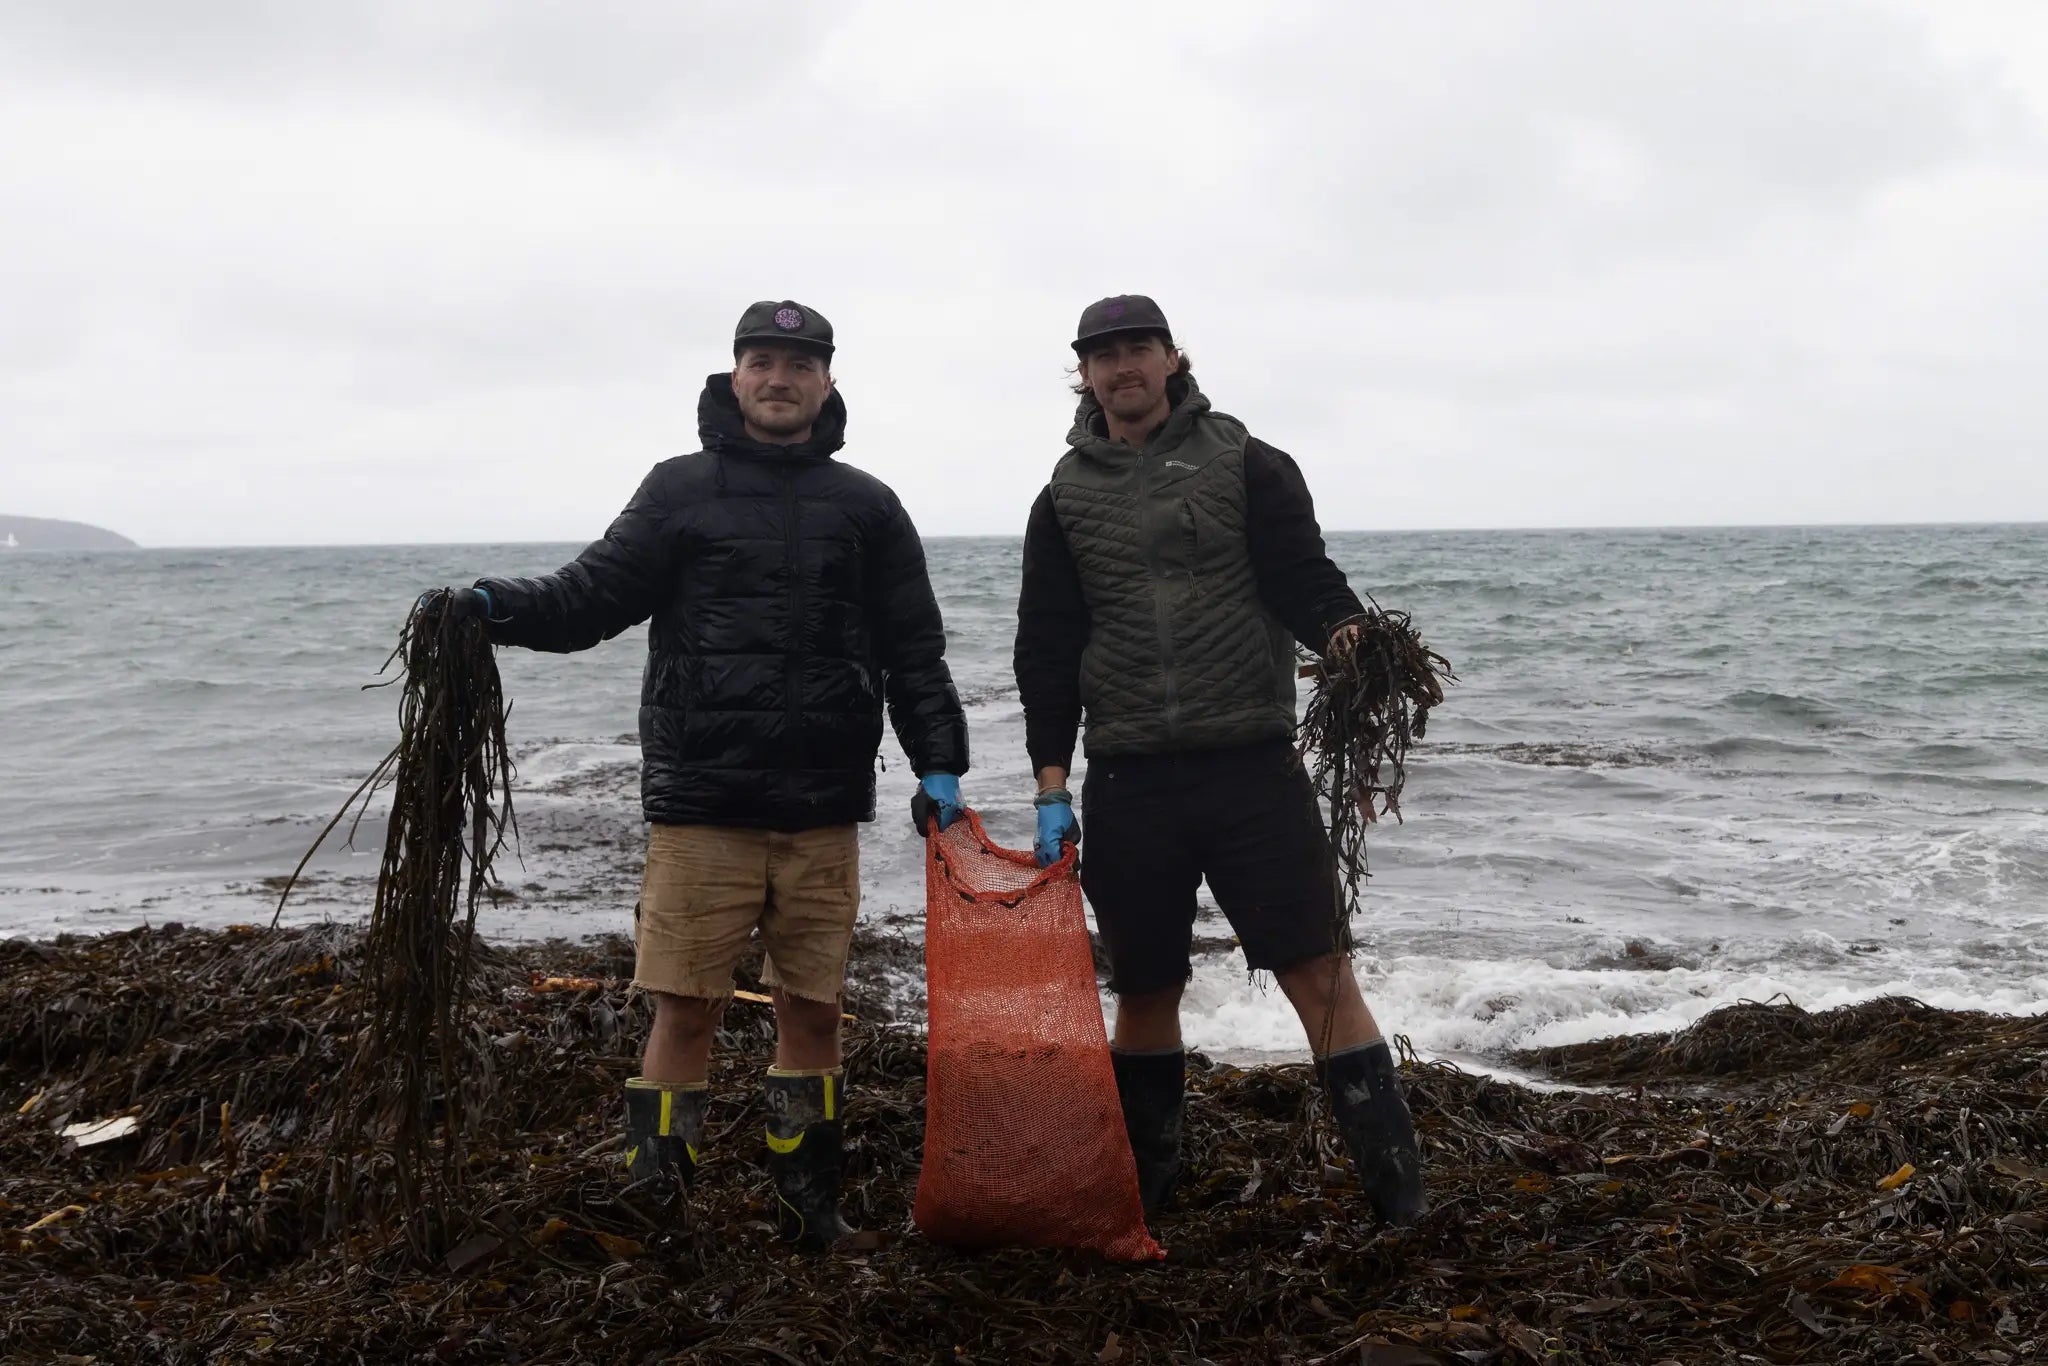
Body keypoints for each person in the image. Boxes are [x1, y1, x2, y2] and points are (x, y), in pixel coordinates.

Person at [437, 300, 968, 1251]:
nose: (779, 378)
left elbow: (914, 651)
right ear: (734, 377)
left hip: (821, 812)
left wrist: (941, 764)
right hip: (702, 809)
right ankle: (659, 1209)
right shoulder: (680, 489)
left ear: (828, 383)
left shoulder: (868, 505)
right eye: (762, 361)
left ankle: (810, 1211)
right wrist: (492, 606)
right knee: (685, 1008)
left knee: (813, 1010)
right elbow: (589, 596)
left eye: (799, 364)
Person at [1011, 295, 1426, 1225]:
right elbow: (1047, 647)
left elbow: (1300, 576)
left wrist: (1346, 630)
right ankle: (1148, 1195)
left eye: (1138, 350)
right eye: (1102, 356)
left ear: (1171, 358)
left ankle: (1399, 1200)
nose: (1122, 368)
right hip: (1128, 778)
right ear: (1083, 374)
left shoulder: (1247, 460)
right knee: (1147, 986)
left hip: (1250, 767)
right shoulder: (1063, 496)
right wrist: (1050, 783)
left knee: (1318, 972)